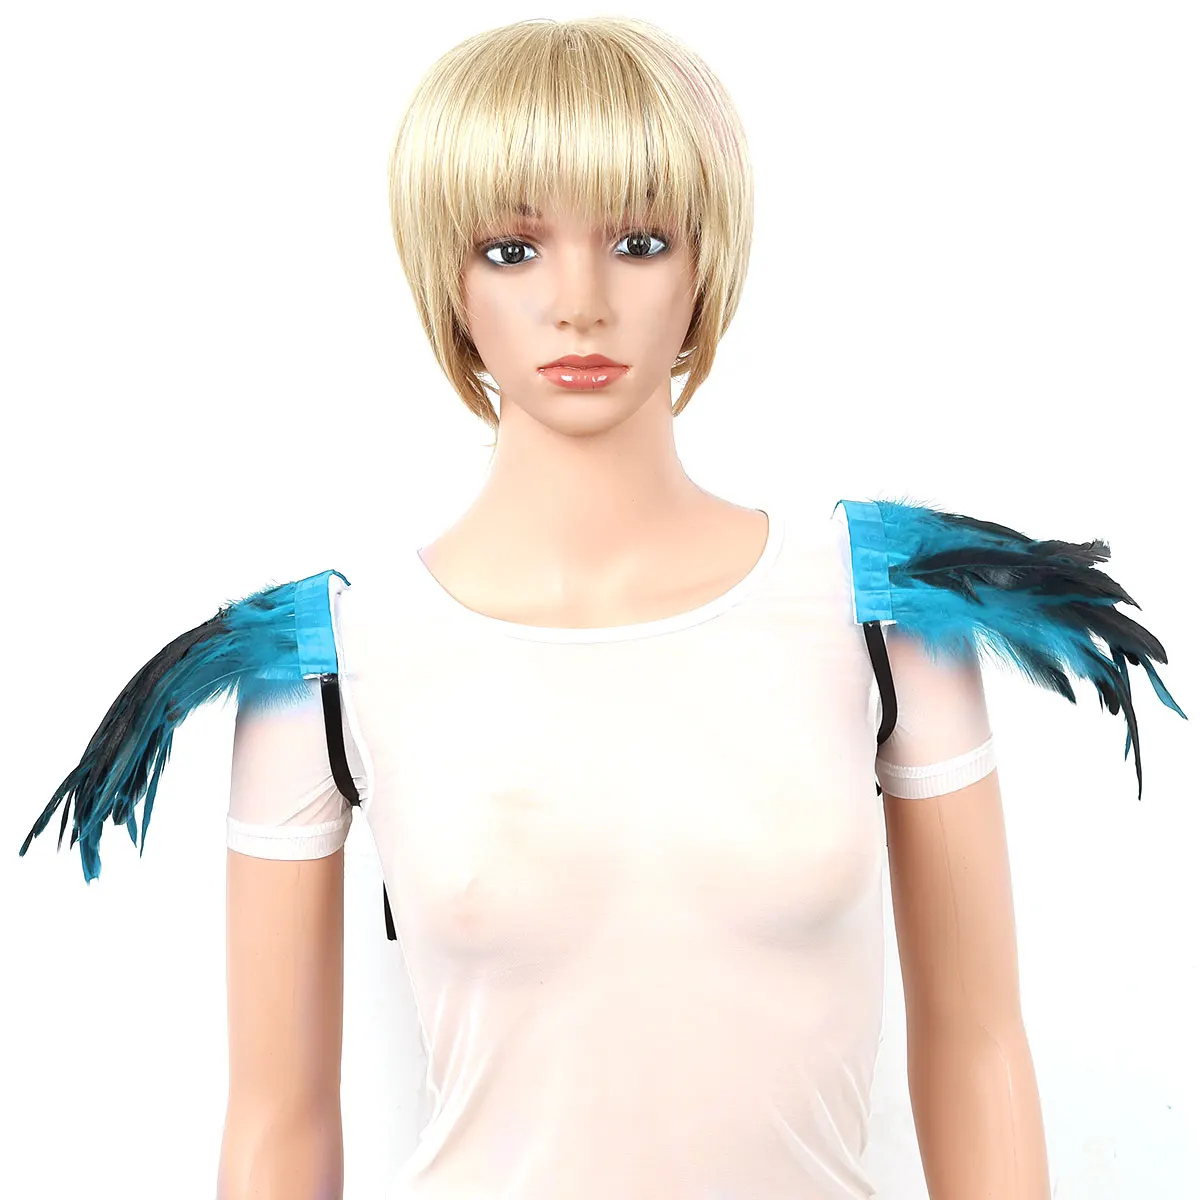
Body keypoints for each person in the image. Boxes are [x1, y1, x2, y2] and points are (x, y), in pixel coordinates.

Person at [18, 16, 1186, 1200]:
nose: (578, 302)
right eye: (511, 249)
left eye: (637, 240)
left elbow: (980, 1049)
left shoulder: (887, 614)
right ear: (447, 275)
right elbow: (277, 1124)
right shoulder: (320, 665)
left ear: (704, 261)